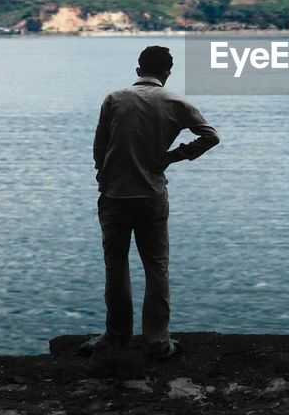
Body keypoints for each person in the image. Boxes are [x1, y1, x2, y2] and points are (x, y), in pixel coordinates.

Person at [85, 45, 220, 357]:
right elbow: (210, 136)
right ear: (167, 73)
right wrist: (174, 156)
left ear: (138, 70)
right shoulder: (175, 102)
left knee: (115, 268)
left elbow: (99, 148)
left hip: (115, 194)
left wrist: (103, 177)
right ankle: (158, 341)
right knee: (156, 267)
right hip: (151, 196)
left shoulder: (114, 99)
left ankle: (116, 336)